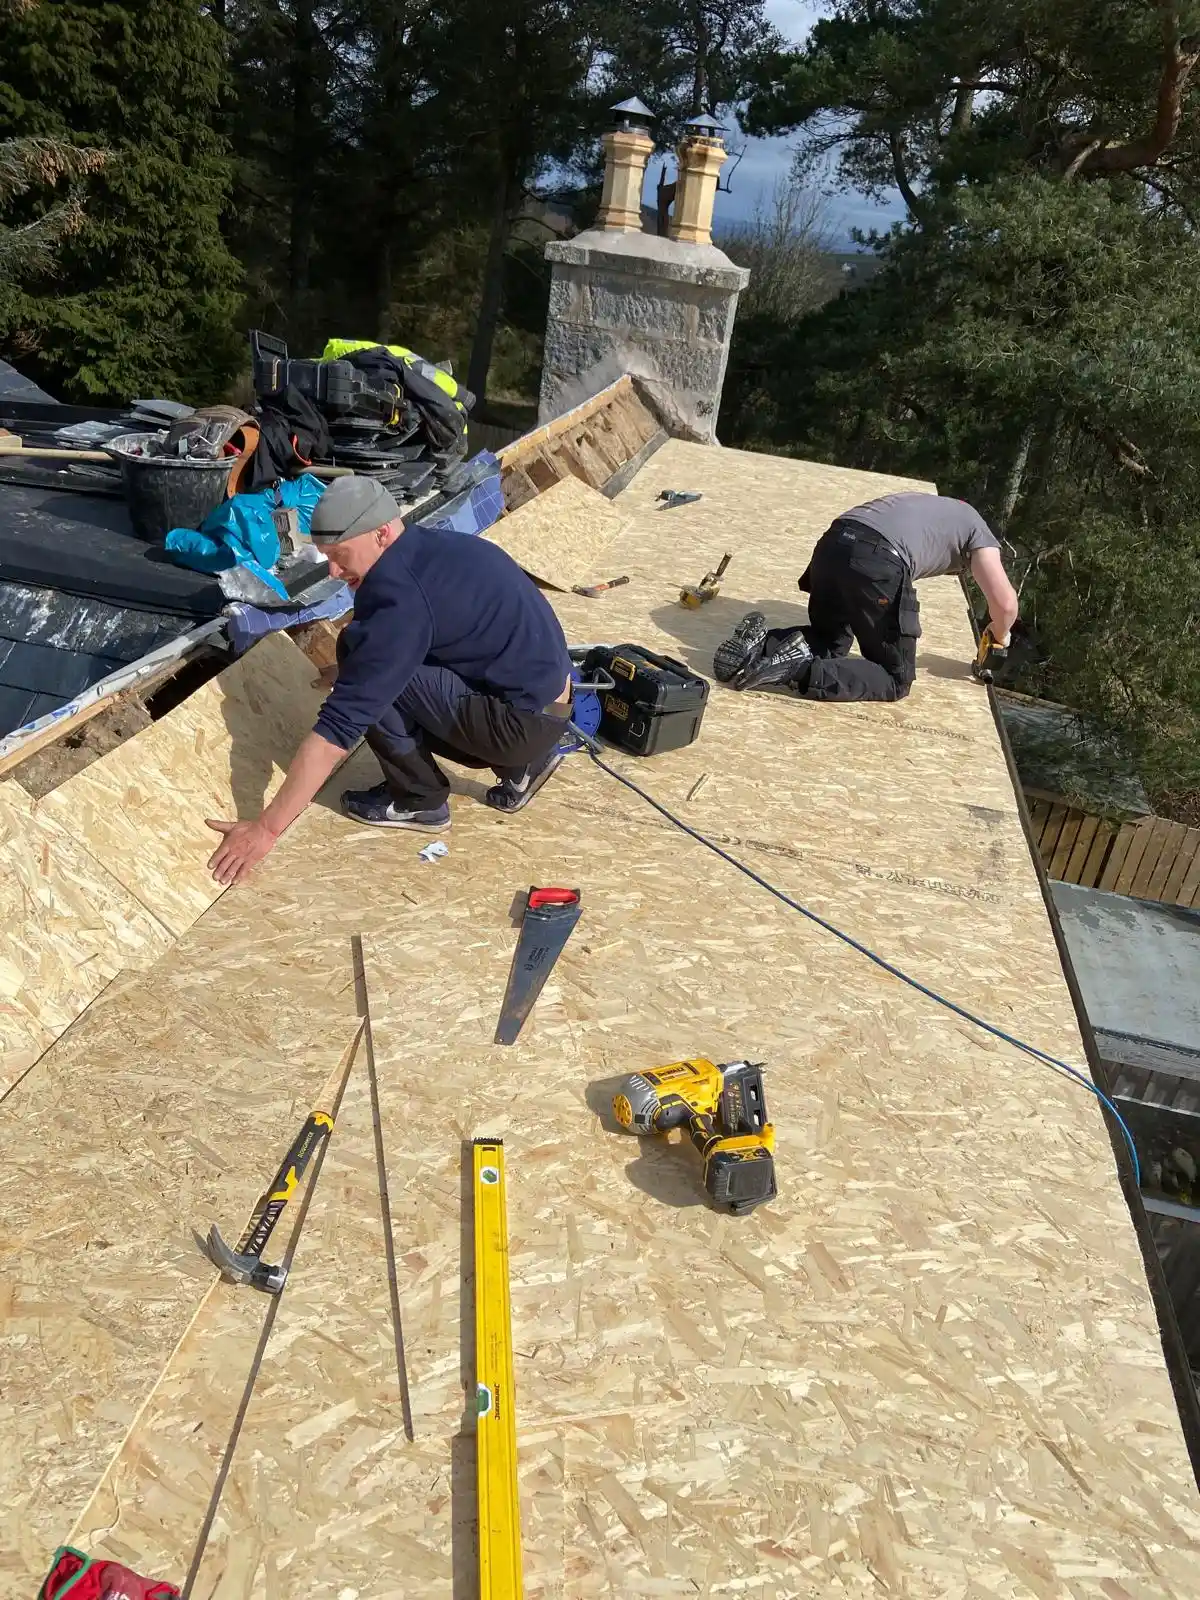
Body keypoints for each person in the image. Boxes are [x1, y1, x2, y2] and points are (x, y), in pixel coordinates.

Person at [207, 476, 574, 886]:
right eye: (327, 557)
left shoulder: (399, 593)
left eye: (340, 555)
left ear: (381, 533)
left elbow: (337, 732)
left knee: (359, 656)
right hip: (551, 705)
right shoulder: (436, 549)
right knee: (366, 658)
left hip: (517, 726)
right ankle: (521, 766)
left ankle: (420, 799)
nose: (333, 571)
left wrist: (265, 829)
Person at [713, 492, 1020, 702]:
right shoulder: (978, 530)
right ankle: (798, 671)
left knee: (831, 642)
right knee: (895, 679)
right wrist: (1000, 634)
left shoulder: (929, 505)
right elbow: (1005, 605)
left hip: (832, 544)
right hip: (878, 558)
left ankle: (761, 644)